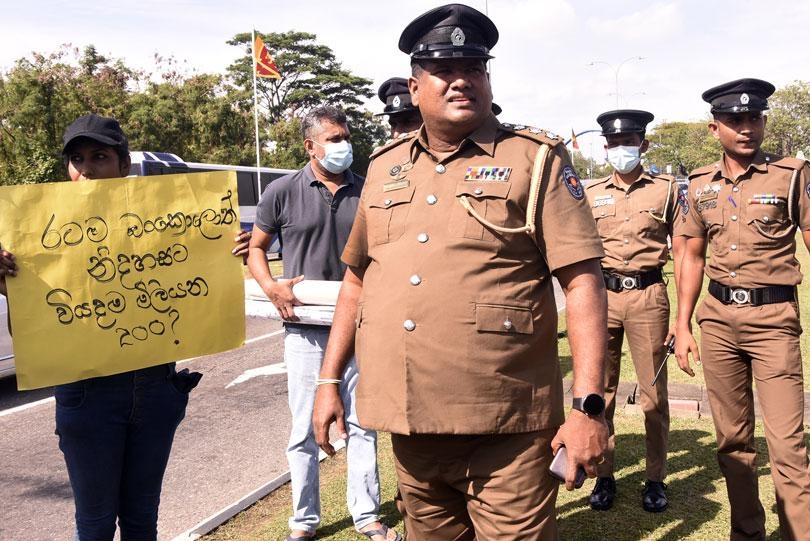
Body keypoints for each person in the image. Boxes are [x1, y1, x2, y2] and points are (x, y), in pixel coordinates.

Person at [312, 4, 609, 539]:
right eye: (444, 70)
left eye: (474, 68)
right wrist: (329, 380)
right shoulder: (384, 168)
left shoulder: (535, 160)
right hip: (412, 428)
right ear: (415, 84)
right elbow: (357, 281)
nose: (460, 81)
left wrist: (589, 407)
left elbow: (582, 282)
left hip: (506, 429)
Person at [0, 113, 247, 540]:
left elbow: (195, 273)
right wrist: (10, 285)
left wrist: (229, 248)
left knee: (141, 519)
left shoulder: (163, 222)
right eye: (76, 159)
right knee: (94, 524)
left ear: (124, 164)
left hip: (155, 387)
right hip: (86, 396)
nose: (87, 169)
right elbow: (38, 319)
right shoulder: (40, 231)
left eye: (99, 156)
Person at [246, 105, 399, 541]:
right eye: (333, 139)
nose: (343, 145)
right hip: (303, 333)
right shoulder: (281, 191)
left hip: (358, 332)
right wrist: (272, 286)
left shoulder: (368, 191)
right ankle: (304, 521)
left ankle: (367, 516)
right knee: (302, 430)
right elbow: (257, 248)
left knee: (361, 425)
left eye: (345, 137)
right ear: (309, 146)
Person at [674, 78, 810, 540]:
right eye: (734, 120)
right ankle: (746, 533)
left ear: (765, 122)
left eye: (754, 118)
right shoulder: (698, 185)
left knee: (788, 448)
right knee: (732, 443)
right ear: (716, 129)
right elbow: (691, 255)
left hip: (774, 324)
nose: (746, 127)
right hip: (716, 323)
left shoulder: (792, 175)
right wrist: (683, 324)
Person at [584, 110, 678, 513]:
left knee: (653, 396)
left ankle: (655, 479)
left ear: (644, 143)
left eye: (630, 141)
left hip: (648, 295)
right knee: (597, 391)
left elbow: (688, 248)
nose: (622, 149)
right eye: (615, 143)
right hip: (602, 297)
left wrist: (682, 319)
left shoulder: (667, 190)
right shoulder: (589, 193)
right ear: (605, 148)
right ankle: (603, 474)